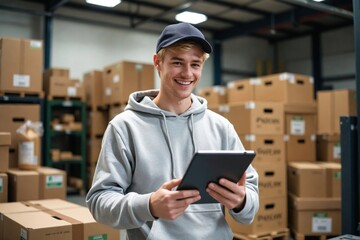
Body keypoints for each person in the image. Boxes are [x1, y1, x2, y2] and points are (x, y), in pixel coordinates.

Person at [86, 22, 259, 240]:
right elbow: (99, 202)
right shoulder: (125, 127)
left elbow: (250, 201)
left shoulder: (221, 127)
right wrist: (148, 205)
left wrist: (241, 201)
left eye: (195, 64)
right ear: (158, 63)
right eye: (178, 62)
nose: (187, 73)